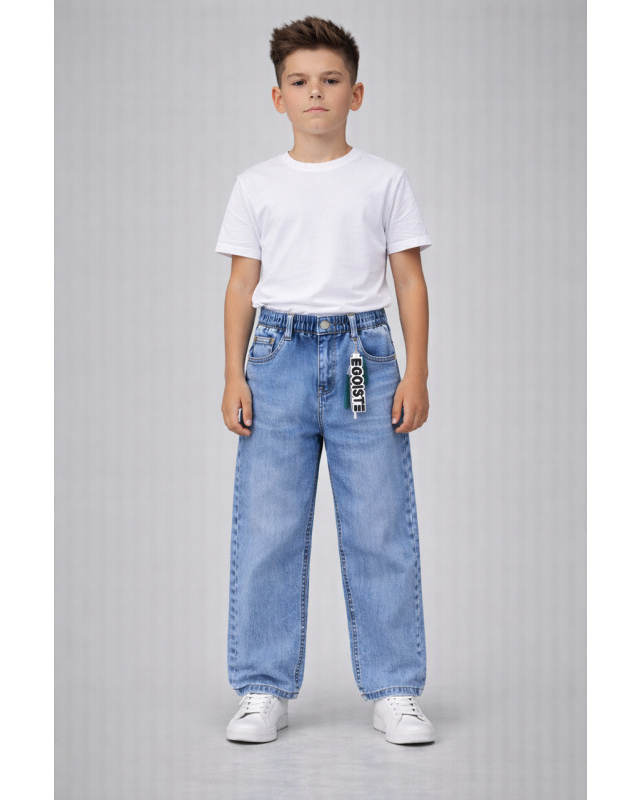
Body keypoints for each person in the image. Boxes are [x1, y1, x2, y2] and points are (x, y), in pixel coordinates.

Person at [215, 15, 435, 746]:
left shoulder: (384, 180)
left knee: (379, 525)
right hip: (276, 359)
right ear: (278, 97)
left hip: (362, 361)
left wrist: (417, 372)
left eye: (331, 80)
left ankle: (396, 689)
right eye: (301, 82)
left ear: (356, 93)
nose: (317, 93)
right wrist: (233, 375)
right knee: (268, 527)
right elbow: (241, 286)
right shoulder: (256, 184)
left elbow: (409, 281)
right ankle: (261, 687)